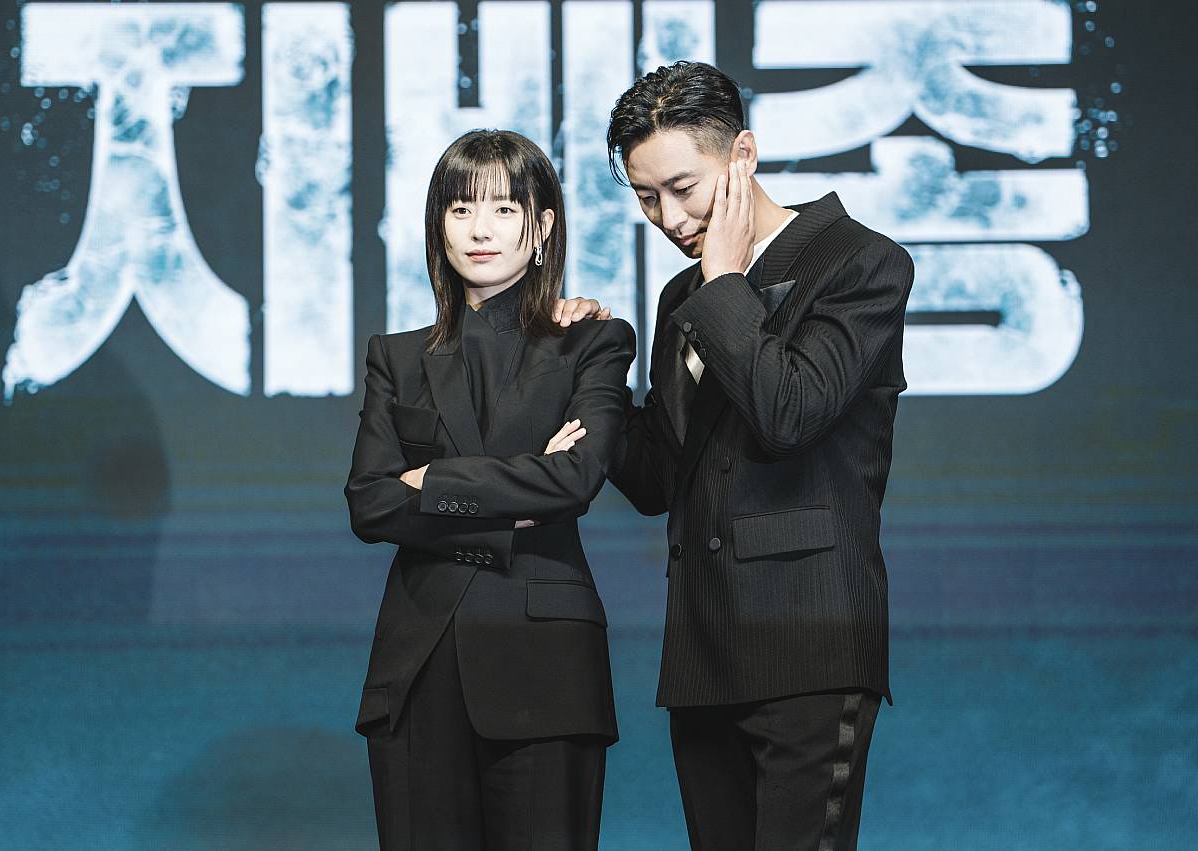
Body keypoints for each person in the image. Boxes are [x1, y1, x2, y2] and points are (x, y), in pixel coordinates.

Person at [570, 60, 915, 849]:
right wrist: (583, 370)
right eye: (645, 197)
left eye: (683, 188)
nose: (668, 217)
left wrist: (724, 279)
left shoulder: (859, 261)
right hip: (703, 651)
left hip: (810, 641)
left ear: (743, 155)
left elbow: (790, 413)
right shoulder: (680, 298)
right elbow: (658, 478)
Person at [344, 129, 635, 850]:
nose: (480, 230)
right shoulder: (397, 357)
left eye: (505, 209)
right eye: (461, 208)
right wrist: (519, 495)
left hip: (545, 662)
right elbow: (371, 502)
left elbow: (574, 478)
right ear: (437, 223)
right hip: (418, 663)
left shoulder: (592, 342)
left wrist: (433, 481)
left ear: (543, 226)